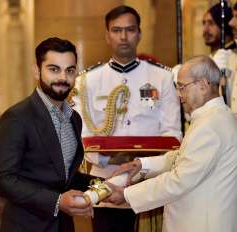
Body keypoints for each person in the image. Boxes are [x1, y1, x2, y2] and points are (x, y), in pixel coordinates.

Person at [73, 5, 181, 232]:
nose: (123, 36)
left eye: (130, 30)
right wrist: (105, 157)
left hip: (150, 183)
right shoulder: (87, 81)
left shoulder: (161, 77)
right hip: (105, 180)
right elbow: (80, 134)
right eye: (116, 30)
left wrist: (143, 164)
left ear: (139, 34)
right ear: (107, 35)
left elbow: (173, 134)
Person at [105, 55, 237, 232]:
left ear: (203, 85)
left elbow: (179, 180)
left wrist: (127, 195)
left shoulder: (210, 125)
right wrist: (143, 164)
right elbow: (183, 156)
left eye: (182, 87)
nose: (178, 94)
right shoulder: (217, 116)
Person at [0, 37, 94, 232]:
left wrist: (105, 184)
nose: (63, 78)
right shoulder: (16, 117)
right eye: (54, 69)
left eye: (70, 70)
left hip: (64, 226)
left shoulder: (74, 118)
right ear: (37, 71)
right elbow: (2, 179)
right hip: (25, 226)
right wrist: (57, 201)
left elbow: (62, 176)